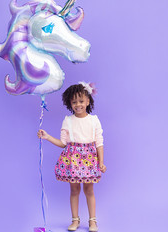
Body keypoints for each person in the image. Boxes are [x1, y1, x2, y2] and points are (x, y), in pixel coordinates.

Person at [37, 82, 107, 232]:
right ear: (70, 103)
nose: (78, 105)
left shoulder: (94, 120)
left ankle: (92, 221)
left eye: (81, 101)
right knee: (74, 191)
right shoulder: (68, 120)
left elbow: (99, 143)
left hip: (89, 159)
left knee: (89, 190)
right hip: (72, 160)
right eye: (74, 102)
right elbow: (63, 143)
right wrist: (47, 136)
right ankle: (75, 220)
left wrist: (101, 162)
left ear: (88, 101)